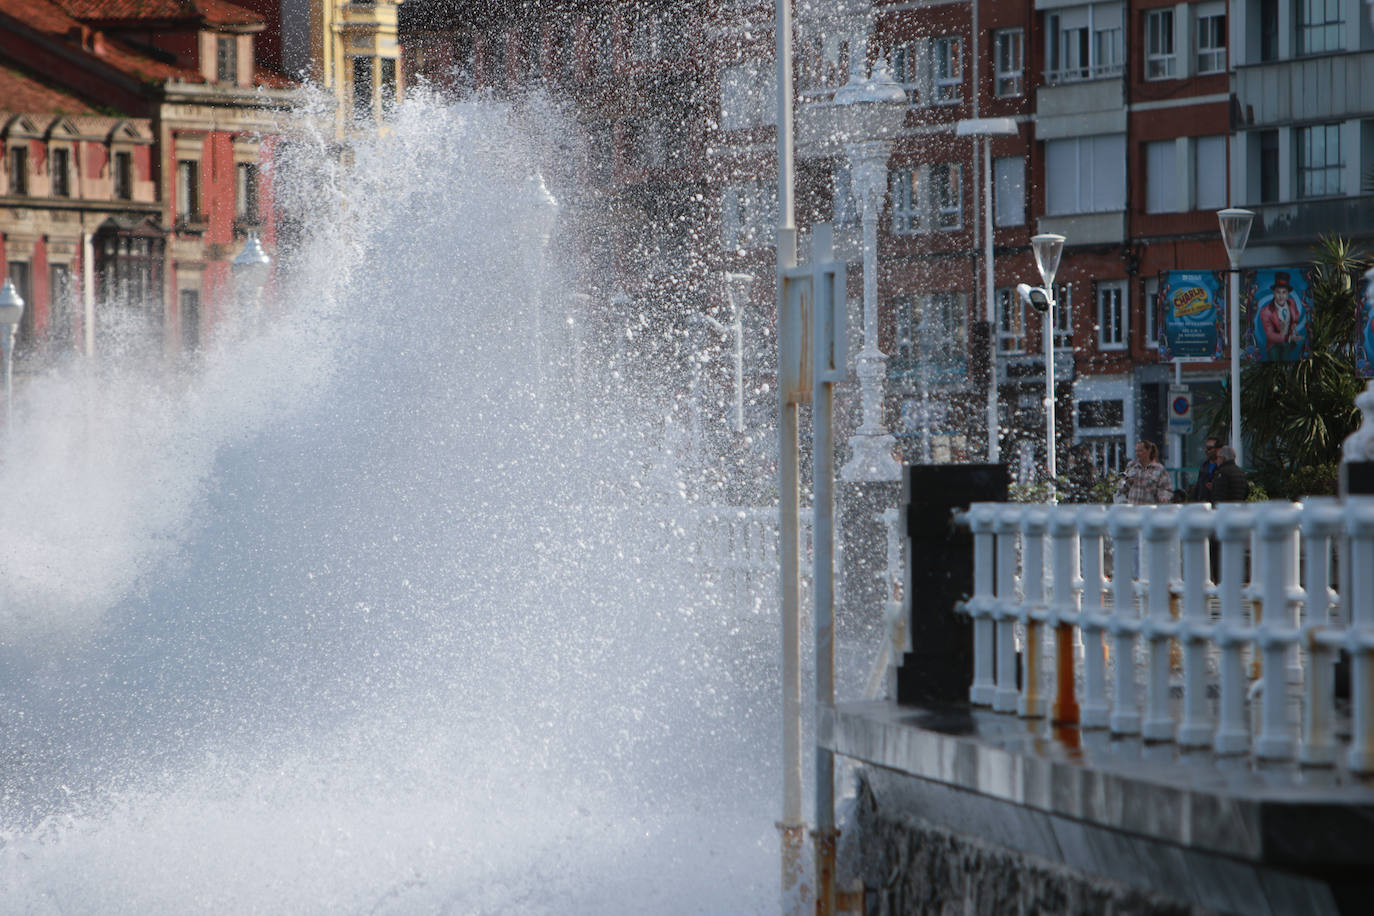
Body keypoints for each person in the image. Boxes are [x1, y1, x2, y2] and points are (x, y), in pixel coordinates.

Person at [1259, 272, 1303, 360]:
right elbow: (1270, 335)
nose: (1281, 296)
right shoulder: (1266, 311)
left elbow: (1296, 314)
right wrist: (1288, 338)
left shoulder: (1292, 303)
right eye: (1278, 292)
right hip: (1274, 344)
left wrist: (1294, 323)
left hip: (1288, 343)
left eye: (1284, 292)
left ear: (1288, 294)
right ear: (1274, 293)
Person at [1115, 440, 1173, 505]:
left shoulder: (1159, 469)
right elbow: (1121, 489)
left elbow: (1166, 488)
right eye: (1136, 451)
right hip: (1133, 509)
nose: (1137, 454)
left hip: (1150, 510)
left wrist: (1163, 497)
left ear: (1149, 451)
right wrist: (1127, 483)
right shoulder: (1131, 466)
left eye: (1140, 451)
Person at [1191, 437, 1222, 503]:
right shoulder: (1204, 466)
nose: (1206, 450)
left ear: (1218, 449)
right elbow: (1199, 486)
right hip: (1203, 504)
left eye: (1209, 448)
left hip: (1217, 505)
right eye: (1206, 448)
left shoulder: (1223, 467)